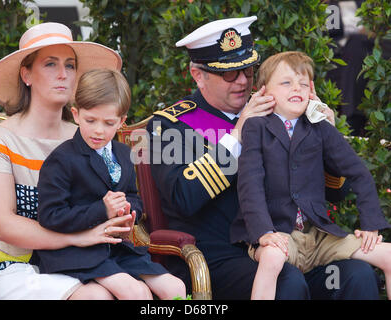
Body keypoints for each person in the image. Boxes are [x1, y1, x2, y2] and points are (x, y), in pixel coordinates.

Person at [147, 16, 381, 299]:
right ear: (198, 75)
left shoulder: (279, 111)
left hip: (288, 244)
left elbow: (338, 192)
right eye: (229, 74)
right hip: (220, 257)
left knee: (355, 275)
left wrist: (325, 136)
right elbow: (183, 197)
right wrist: (236, 137)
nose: (243, 81)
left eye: (248, 69)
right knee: (288, 282)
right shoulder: (170, 125)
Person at [0, 22, 134, 300]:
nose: (63, 74)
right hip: (14, 266)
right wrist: (78, 238)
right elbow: (3, 224)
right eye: (50, 64)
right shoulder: (1, 140)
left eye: (70, 65)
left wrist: (122, 218)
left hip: (81, 260)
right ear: (26, 74)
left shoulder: (89, 137)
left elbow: (112, 199)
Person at [230, 51, 391, 300]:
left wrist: (370, 223)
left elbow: (357, 172)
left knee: (388, 255)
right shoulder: (256, 126)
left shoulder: (320, 126)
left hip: (317, 236)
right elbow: (250, 184)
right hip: (279, 233)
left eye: (303, 83)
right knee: (271, 258)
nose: (297, 88)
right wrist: (264, 232)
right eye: (286, 83)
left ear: (311, 89)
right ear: (262, 91)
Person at [36, 69, 186, 300]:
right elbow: (50, 216)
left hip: (116, 248)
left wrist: (129, 210)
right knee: (136, 292)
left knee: (175, 288)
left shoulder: (124, 153)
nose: (98, 130)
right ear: (75, 114)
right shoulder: (61, 159)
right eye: (90, 120)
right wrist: (102, 210)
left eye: (108, 123)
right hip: (76, 252)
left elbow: (133, 196)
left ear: (121, 122)